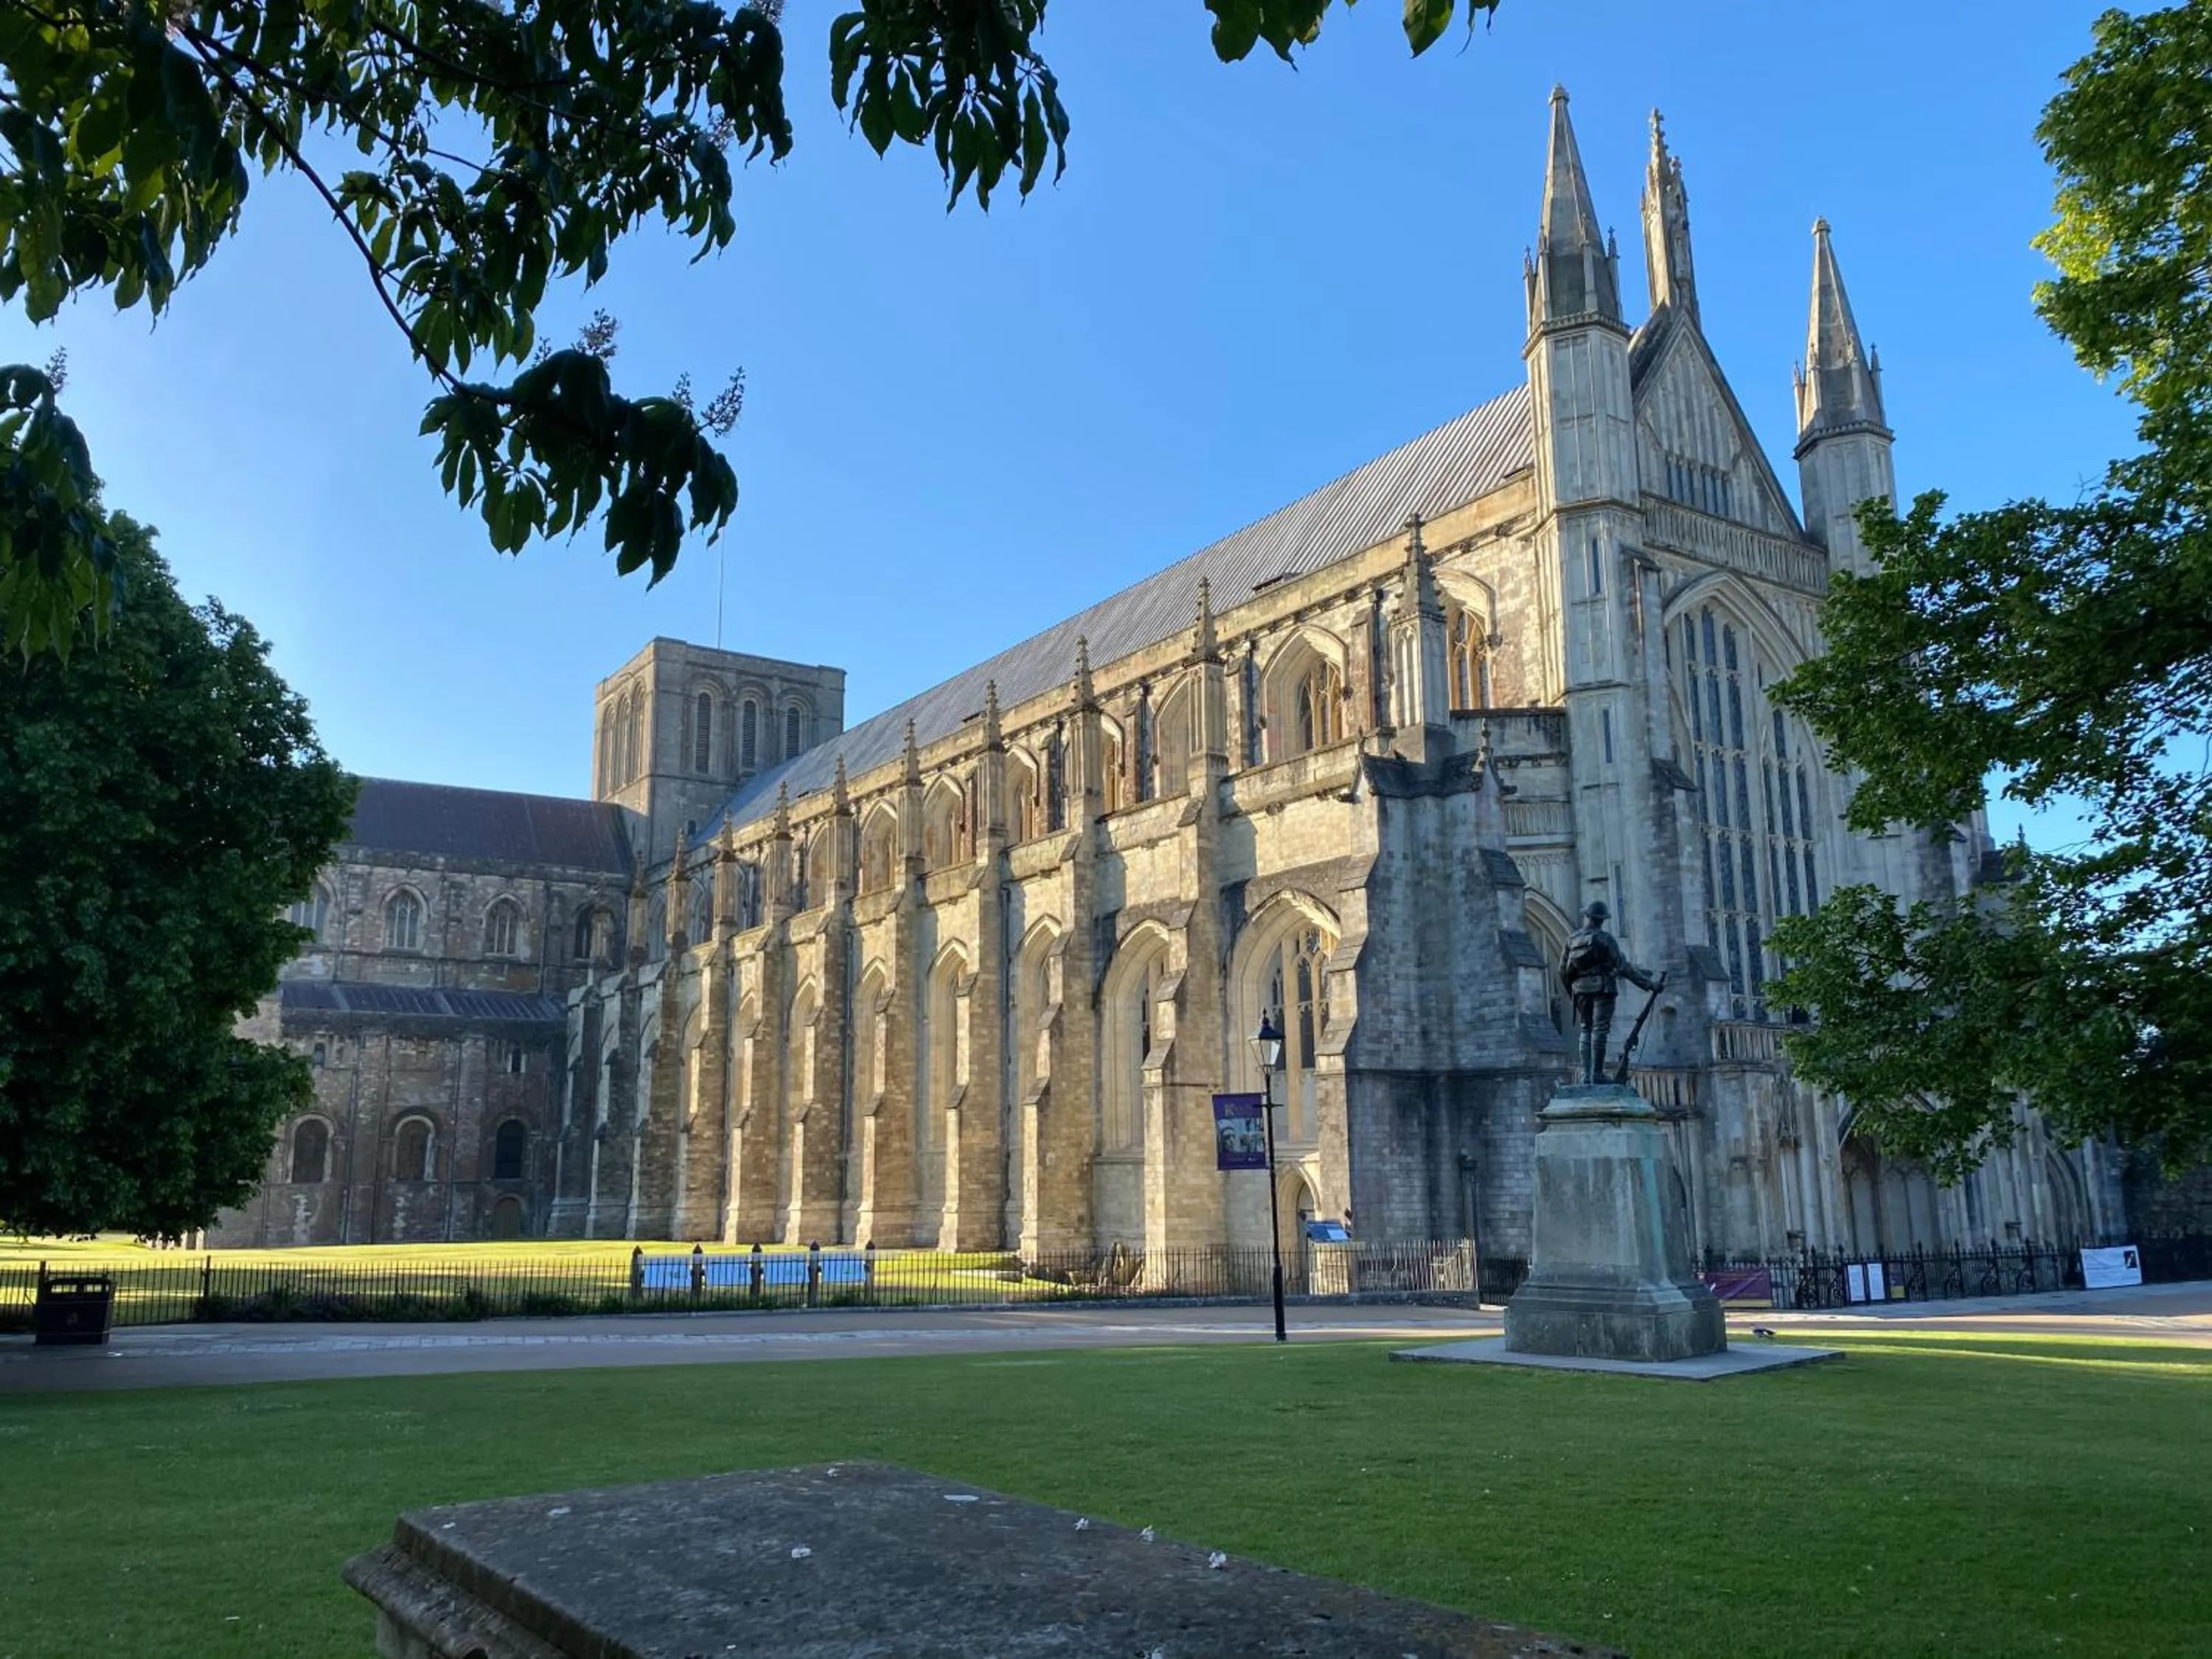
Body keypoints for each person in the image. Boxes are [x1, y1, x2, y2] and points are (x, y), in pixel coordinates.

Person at [1558, 900, 1660, 1085]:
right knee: (1600, 1030)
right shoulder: (1606, 939)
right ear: (1602, 920)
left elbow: (1563, 971)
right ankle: (1597, 1074)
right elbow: (1624, 967)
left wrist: (1573, 991)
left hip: (1580, 991)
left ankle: (1586, 1075)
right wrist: (1649, 985)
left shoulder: (1572, 939)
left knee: (1586, 1029)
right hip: (1603, 989)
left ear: (1588, 916)